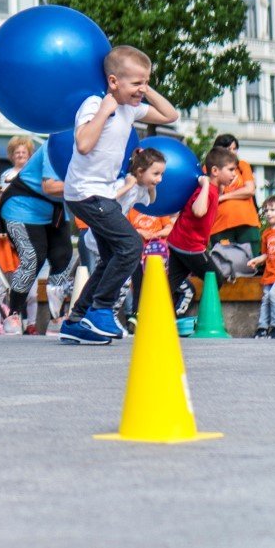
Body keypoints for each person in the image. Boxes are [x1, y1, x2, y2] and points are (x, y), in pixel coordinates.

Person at [58, 45, 179, 346]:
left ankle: (75, 322)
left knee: (111, 255)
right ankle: (99, 312)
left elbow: (170, 114)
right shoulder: (94, 104)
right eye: (136, 83)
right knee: (130, 245)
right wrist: (104, 110)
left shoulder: (132, 107)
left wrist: (145, 90)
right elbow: (84, 145)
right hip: (85, 193)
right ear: (113, 82)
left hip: (102, 194)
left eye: (146, 82)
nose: (142, 89)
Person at [0, 139, 68, 337]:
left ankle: (57, 317)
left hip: (53, 210)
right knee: (32, 258)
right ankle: (13, 314)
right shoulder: (55, 146)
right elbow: (51, 186)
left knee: (62, 257)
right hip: (21, 206)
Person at [166, 146, 240, 316]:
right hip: (189, 246)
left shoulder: (214, 190)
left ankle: (153, 316)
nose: (234, 174)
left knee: (170, 284)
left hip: (180, 243)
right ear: (215, 170)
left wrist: (213, 186)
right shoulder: (205, 190)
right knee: (215, 279)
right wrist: (206, 184)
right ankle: (206, 321)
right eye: (230, 170)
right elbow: (199, 211)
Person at [114, 146, 167, 324]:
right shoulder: (125, 183)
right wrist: (128, 185)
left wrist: (150, 184)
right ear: (140, 171)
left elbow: (152, 200)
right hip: (105, 234)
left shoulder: (141, 188)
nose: (159, 179)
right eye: (156, 174)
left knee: (123, 280)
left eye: (161, 175)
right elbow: (109, 199)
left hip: (116, 237)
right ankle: (102, 313)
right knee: (117, 278)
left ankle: (108, 314)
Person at [206, 133, 260, 252]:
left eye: (235, 149)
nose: (232, 152)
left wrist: (224, 197)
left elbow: (250, 190)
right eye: (228, 148)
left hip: (246, 221)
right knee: (224, 264)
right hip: (220, 224)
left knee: (249, 264)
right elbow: (210, 192)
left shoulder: (242, 165)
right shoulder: (209, 167)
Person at [249, 196, 275, 338]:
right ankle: (262, 327)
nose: (268, 213)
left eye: (272, 210)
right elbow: (266, 254)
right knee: (266, 296)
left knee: (273, 294)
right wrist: (257, 260)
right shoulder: (266, 233)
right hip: (270, 272)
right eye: (266, 210)